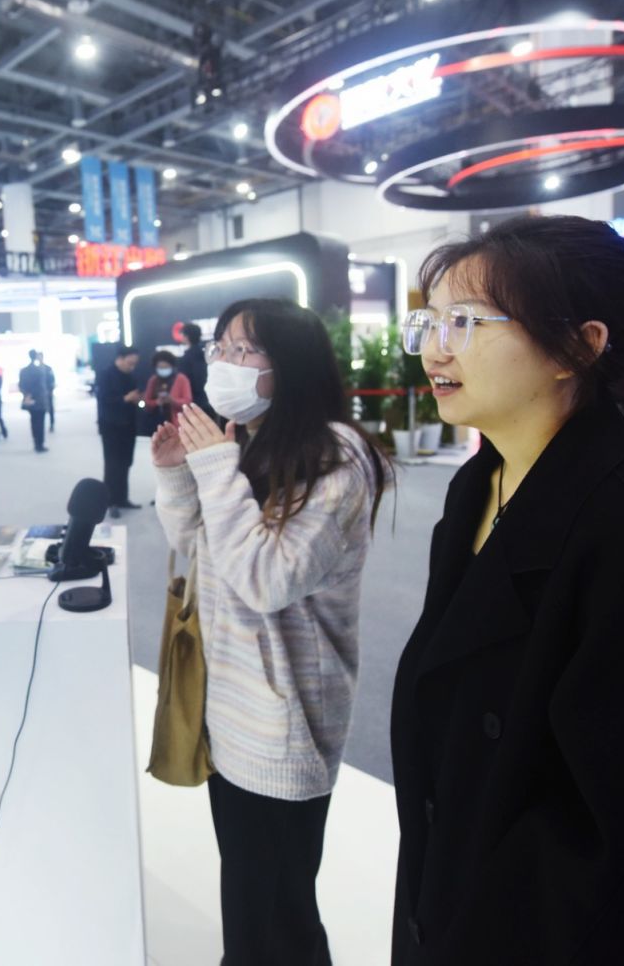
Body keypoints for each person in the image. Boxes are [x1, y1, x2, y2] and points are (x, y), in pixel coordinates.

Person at [388, 214, 624, 965]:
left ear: (576, 345)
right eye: (430, 321)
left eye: (465, 321)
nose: (436, 347)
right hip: (456, 884)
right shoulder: (479, 484)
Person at [152, 298, 390, 966]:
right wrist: (178, 473)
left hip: (283, 720)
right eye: (218, 350)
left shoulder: (336, 457)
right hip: (231, 709)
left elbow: (264, 580)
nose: (222, 363)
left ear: (290, 364)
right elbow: (206, 552)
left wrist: (211, 469)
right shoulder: (251, 437)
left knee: (278, 918)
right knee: (250, 903)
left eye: (241, 350)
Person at [97, 345, 144, 518]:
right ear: (120, 358)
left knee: (126, 462)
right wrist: (126, 398)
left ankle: (123, 498)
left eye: (134, 364)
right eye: (130, 363)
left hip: (128, 426)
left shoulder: (130, 376)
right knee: (112, 465)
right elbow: (104, 399)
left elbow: (135, 399)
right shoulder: (106, 374)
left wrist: (138, 400)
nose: (132, 367)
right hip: (111, 426)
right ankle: (111, 502)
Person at [142, 349, 193, 430]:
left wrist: (172, 400)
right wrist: (156, 402)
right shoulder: (153, 380)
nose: (163, 369)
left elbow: (187, 401)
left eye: (165, 367)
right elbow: (146, 401)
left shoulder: (181, 379)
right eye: (160, 367)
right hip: (156, 422)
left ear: (172, 366)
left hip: (176, 423)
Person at [18, 349, 51, 452]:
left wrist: (27, 395)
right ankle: (40, 444)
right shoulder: (40, 370)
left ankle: (36, 442)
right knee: (40, 422)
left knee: (33, 421)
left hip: (29, 399)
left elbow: (21, 385)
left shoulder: (23, 371)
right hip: (39, 400)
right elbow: (42, 386)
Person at [179, 320, 211, 415]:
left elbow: (186, 381)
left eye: (182, 335)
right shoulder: (206, 354)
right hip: (209, 400)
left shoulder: (187, 358)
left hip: (194, 402)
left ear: (186, 337)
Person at [42, 352, 58, 434]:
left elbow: (52, 380)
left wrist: (51, 390)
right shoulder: (37, 369)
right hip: (40, 394)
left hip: (48, 392)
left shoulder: (48, 368)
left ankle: (52, 424)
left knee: (51, 409)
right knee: (41, 410)